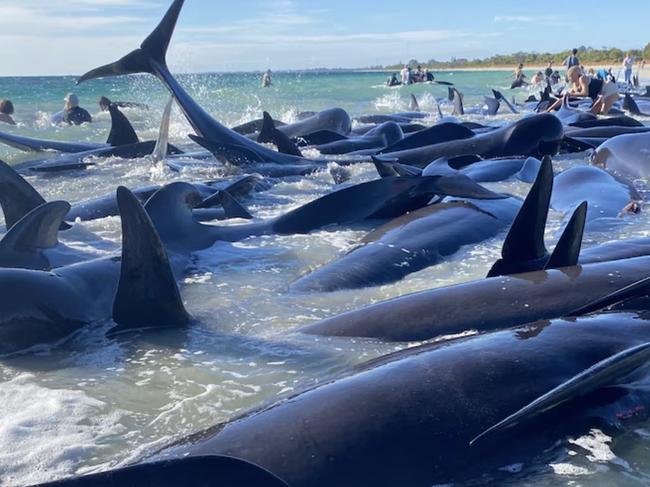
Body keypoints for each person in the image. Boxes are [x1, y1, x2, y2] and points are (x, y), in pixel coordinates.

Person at [547, 65, 619, 115]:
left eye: (571, 76)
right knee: (598, 112)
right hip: (600, 93)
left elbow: (585, 93)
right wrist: (549, 109)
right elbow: (564, 98)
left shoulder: (582, 78)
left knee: (603, 112)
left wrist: (571, 94)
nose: (569, 79)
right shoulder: (575, 85)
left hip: (609, 88)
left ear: (575, 74)